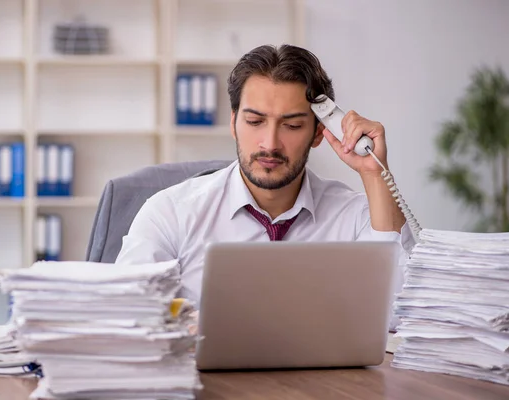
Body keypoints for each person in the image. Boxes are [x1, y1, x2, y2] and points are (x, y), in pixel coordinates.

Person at [116, 44, 415, 330]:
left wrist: (376, 175)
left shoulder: (357, 216)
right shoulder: (170, 213)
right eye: (255, 121)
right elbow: (126, 313)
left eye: (292, 125)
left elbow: (399, 316)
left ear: (319, 133)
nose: (270, 144)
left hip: (323, 383)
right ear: (234, 124)